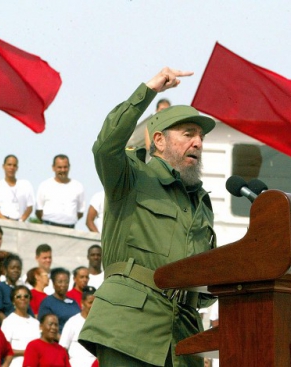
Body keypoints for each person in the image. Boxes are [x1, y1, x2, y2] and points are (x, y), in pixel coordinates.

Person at [78, 67, 217, 367]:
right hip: (129, 329)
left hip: (184, 338)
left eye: (201, 137)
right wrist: (148, 90)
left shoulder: (201, 202)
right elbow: (105, 146)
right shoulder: (131, 176)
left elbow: (207, 283)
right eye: (188, 134)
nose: (198, 143)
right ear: (159, 141)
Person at [35, 154, 85, 228]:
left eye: (65, 167)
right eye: (59, 167)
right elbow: (39, 210)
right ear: (53, 168)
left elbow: (80, 212)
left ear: (69, 167)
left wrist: (67, 220)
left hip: (69, 228)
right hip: (48, 227)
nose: (63, 170)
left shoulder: (78, 186)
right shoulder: (45, 185)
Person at [1, 285, 40, 367]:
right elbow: (4, 349)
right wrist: (27, 352)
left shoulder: (36, 323)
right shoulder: (8, 322)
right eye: (18, 296)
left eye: (26, 296)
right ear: (13, 301)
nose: (23, 299)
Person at [0, 154, 35, 222]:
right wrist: (6, 222)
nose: (12, 168)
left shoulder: (25, 185)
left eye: (14, 165)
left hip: (20, 223)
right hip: (3, 222)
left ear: (17, 168)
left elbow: (30, 207)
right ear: (3, 166)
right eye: (9, 165)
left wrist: (21, 220)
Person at [60, 287, 96, 366]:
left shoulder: (100, 323)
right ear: (82, 303)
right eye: (90, 302)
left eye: (95, 303)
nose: (93, 306)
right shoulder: (72, 322)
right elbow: (63, 348)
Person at [38, 267, 79, 334]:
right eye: (60, 282)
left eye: (66, 282)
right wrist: (62, 341)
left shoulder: (73, 302)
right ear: (53, 284)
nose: (63, 285)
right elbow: (46, 328)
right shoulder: (47, 303)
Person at [0, 254, 24, 323]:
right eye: (12, 268)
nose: (16, 270)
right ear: (5, 269)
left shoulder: (21, 290)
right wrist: (10, 325)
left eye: (18, 268)